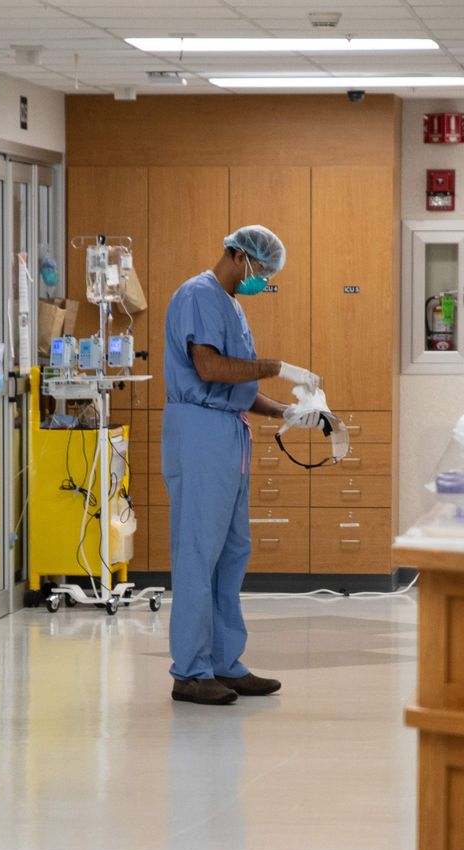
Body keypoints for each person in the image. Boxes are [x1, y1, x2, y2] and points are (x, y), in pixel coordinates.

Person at [161, 225, 321, 706]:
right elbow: (210, 369)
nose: (262, 279)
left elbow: (239, 391)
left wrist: (291, 413)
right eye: (260, 269)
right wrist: (275, 366)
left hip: (227, 433)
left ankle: (225, 662)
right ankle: (190, 671)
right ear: (236, 254)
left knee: (232, 551)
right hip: (199, 434)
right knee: (197, 552)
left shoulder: (232, 304)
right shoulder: (197, 295)